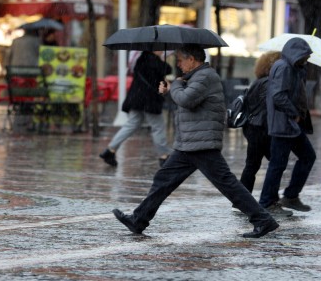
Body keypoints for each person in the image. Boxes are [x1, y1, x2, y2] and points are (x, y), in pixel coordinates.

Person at [112, 44, 279, 238]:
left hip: (202, 142)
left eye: (181, 60)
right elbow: (184, 98)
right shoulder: (194, 77)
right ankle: (139, 219)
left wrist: (174, 85)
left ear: (192, 59)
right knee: (163, 179)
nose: (179, 65)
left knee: (228, 184)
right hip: (190, 142)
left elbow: (186, 99)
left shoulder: (206, 76)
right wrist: (172, 89)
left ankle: (263, 220)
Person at [258, 37, 316, 214]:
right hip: (283, 124)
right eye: (304, 56)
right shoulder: (283, 67)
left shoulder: (294, 68)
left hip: (290, 125)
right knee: (278, 163)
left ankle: (290, 196)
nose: (306, 59)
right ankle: (267, 202)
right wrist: (294, 113)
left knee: (307, 157)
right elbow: (278, 96)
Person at [100, 51, 173, 166]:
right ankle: (164, 156)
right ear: (154, 49)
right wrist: (162, 61)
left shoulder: (140, 59)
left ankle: (110, 150)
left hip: (136, 98)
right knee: (158, 127)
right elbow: (168, 69)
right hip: (149, 100)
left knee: (131, 124)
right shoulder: (155, 61)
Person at [237, 51, 281, 195]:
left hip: (253, 128)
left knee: (252, 165)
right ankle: (269, 199)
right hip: (262, 130)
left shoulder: (258, 82)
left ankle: (241, 201)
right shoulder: (269, 83)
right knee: (277, 164)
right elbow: (267, 108)